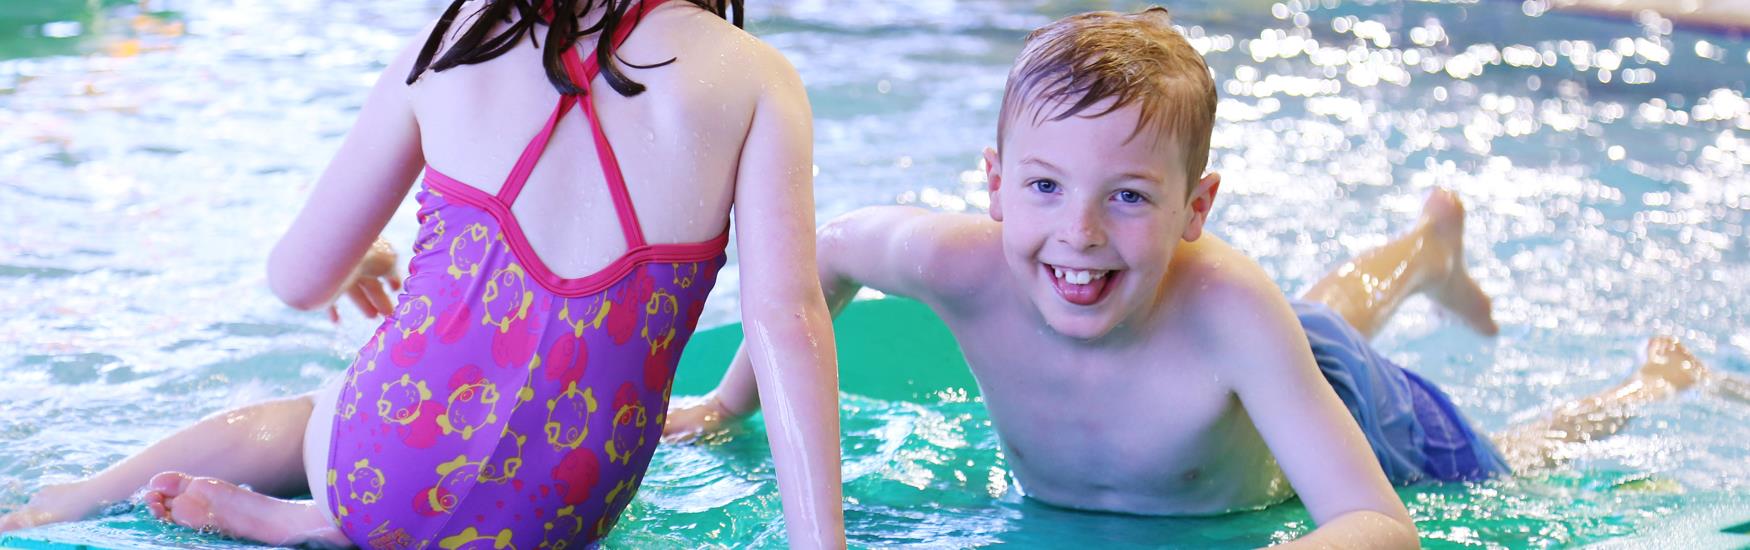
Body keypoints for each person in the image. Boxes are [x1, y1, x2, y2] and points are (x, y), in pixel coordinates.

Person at [665, 7, 1728, 547]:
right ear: (992, 184)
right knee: (1299, 323)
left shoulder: (1225, 301)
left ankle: (1650, 378)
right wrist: (725, 401)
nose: (1075, 234)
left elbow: (1380, 523)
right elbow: (813, 266)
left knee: (1515, 464)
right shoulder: (955, 261)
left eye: (1126, 196)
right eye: (1042, 186)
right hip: (1256, 348)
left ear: (1195, 209)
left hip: (1319, 380)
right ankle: (1425, 250)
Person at [0, 0, 846, 548]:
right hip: (564, 509)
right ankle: (310, 526)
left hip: (381, 468)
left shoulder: (450, 44)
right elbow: (790, 321)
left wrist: (361, 262)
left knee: (310, 417)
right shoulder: (757, 78)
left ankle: (86, 498)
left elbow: (296, 280)